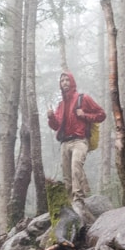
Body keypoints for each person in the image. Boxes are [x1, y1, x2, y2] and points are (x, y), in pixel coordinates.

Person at [46, 70, 106, 220]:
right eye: (62, 81)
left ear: (72, 82)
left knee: (76, 167)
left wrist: (84, 115)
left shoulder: (82, 98)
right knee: (66, 175)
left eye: (67, 80)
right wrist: (51, 117)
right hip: (65, 143)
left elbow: (101, 114)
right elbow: (56, 126)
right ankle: (70, 203)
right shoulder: (60, 105)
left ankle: (78, 199)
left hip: (80, 140)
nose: (65, 83)